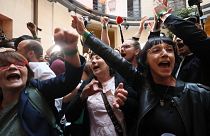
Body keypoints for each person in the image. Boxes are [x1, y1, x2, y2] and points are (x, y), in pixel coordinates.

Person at [70, 13, 210, 136]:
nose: (164, 53)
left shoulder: (199, 94)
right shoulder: (143, 85)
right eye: (156, 50)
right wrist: (84, 33)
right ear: (146, 61)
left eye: (169, 50)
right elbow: (112, 57)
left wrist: (164, 15)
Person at [0, 28, 85, 135]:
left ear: (28, 71)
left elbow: (69, 80)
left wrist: (70, 50)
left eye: (19, 64)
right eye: (4, 65)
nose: (12, 67)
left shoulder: (39, 90)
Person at [62, 51, 137, 136]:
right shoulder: (87, 85)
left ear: (108, 62)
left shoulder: (121, 81)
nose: (93, 61)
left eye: (98, 57)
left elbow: (136, 110)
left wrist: (123, 102)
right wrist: (82, 97)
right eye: (91, 59)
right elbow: (69, 116)